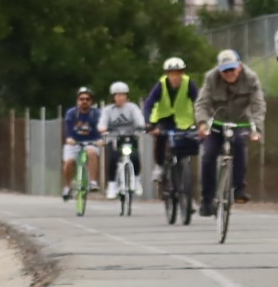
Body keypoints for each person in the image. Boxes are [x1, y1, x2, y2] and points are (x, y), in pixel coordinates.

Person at [194, 50, 266, 215]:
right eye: (225, 70)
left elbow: (258, 105)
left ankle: (239, 189)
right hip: (216, 122)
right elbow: (202, 103)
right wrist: (203, 123)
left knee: (239, 144)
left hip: (240, 122)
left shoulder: (251, 78)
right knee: (208, 156)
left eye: (232, 69)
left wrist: (257, 129)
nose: (229, 74)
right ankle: (206, 200)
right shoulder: (211, 78)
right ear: (219, 70)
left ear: (239, 67)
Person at [143, 56, 198, 190]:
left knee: (188, 141)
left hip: (183, 120)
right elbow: (148, 104)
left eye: (178, 73)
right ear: (167, 74)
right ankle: (160, 166)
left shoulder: (189, 83)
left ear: (182, 73)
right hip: (164, 119)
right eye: (172, 74)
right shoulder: (160, 85)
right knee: (161, 137)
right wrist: (148, 123)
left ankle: (184, 170)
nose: (175, 77)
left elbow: (199, 102)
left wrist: (203, 120)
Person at [99, 81, 148, 198]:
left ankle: (136, 180)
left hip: (130, 138)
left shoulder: (132, 108)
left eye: (123, 95)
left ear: (127, 96)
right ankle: (112, 185)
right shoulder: (108, 110)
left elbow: (139, 120)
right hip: (114, 139)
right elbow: (102, 123)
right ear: (113, 97)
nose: (120, 97)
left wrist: (141, 126)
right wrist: (103, 128)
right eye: (117, 95)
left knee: (135, 157)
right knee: (113, 158)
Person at [61, 87, 102, 199]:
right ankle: (68, 186)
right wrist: (69, 138)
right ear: (77, 100)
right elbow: (68, 129)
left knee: (92, 153)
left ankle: (93, 182)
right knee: (69, 162)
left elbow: (99, 129)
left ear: (91, 101)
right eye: (81, 99)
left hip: (91, 142)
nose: (84, 101)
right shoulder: (71, 113)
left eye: (87, 99)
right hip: (74, 142)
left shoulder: (96, 114)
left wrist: (99, 139)